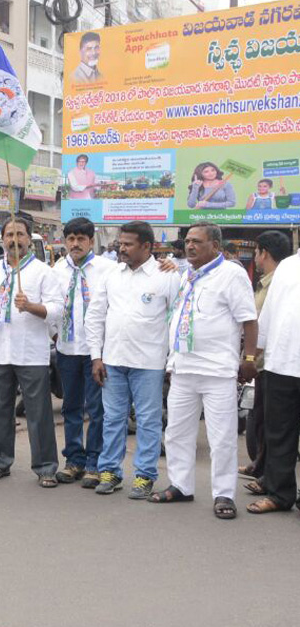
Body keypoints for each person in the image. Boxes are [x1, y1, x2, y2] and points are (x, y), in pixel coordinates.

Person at [148, 224, 257, 519]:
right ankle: (181, 486)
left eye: (197, 241)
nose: (190, 246)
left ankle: (224, 494)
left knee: (221, 437)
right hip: (183, 370)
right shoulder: (187, 275)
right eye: (188, 241)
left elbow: (249, 319)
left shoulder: (231, 274)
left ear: (215, 246)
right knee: (177, 432)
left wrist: (248, 358)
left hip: (217, 372)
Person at [85, 221, 182, 498]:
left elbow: (177, 319)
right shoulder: (112, 275)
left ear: (147, 246)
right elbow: (95, 316)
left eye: (128, 244)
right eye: (120, 243)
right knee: (113, 419)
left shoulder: (166, 275)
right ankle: (110, 472)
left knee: (149, 421)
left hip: (149, 363)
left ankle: (144, 476)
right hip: (112, 360)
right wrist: (96, 356)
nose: (121, 248)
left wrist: (171, 361)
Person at [0, 216, 63, 486]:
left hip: (31, 352)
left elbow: (56, 309)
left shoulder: (42, 271)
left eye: (20, 234)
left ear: (29, 238)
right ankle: (1, 461)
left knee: (38, 413)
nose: (14, 240)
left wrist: (31, 306)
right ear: (2, 239)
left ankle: (46, 467)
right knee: (0, 410)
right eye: (9, 235)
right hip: (0, 350)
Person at [53, 217, 116, 487]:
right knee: (71, 407)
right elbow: (51, 304)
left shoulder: (108, 269)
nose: (75, 244)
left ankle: (95, 462)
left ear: (91, 241)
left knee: (97, 408)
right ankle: (74, 460)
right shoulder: (56, 269)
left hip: (96, 352)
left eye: (81, 239)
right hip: (67, 349)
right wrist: (54, 333)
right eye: (71, 239)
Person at [247, 247, 300, 515]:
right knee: (279, 433)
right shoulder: (288, 266)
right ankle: (280, 494)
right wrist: (252, 357)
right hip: (282, 364)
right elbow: (266, 317)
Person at [242, 231, 291, 483]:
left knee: (270, 423)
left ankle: (266, 473)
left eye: (256, 252)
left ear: (265, 253)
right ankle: (261, 468)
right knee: (263, 420)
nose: (255, 258)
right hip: (264, 363)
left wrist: (249, 359)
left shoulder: (280, 282)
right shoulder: (271, 280)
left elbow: (263, 325)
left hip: (273, 363)